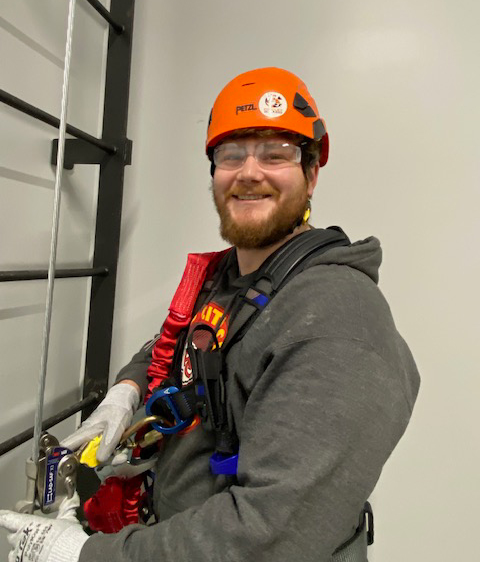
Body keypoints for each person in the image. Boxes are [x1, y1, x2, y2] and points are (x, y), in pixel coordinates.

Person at [0, 67, 420, 562]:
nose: (249, 171)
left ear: (312, 172)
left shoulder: (337, 319)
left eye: (276, 153)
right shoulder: (232, 280)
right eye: (231, 153)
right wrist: (126, 392)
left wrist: (83, 557)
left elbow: (270, 539)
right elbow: (182, 343)